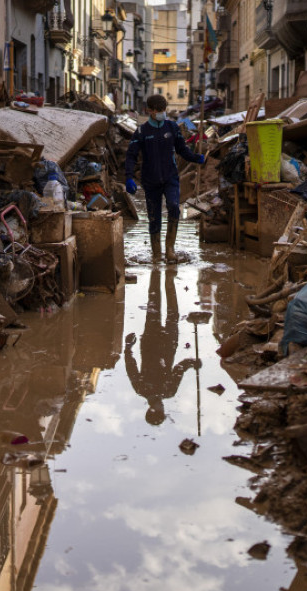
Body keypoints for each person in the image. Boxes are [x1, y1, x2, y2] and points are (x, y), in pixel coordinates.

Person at [124, 94, 205, 263]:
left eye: (163, 110)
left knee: (174, 206)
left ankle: (170, 249)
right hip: (150, 180)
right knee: (154, 216)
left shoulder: (172, 127)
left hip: (170, 177)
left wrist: (196, 157)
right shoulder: (142, 131)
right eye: (158, 111)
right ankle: (156, 253)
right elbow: (131, 155)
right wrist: (129, 177)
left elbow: (182, 150)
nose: (162, 113)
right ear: (149, 111)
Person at [125, 266, 200, 425]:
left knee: (155, 303)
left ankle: (158, 273)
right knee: (167, 310)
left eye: (160, 410)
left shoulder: (146, 389)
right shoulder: (163, 391)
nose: (162, 407)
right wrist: (191, 362)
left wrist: (128, 348)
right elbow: (179, 368)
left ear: (153, 410)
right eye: (162, 410)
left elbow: (131, 366)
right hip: (165, 344)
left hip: (153, 342)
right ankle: (166, 278)